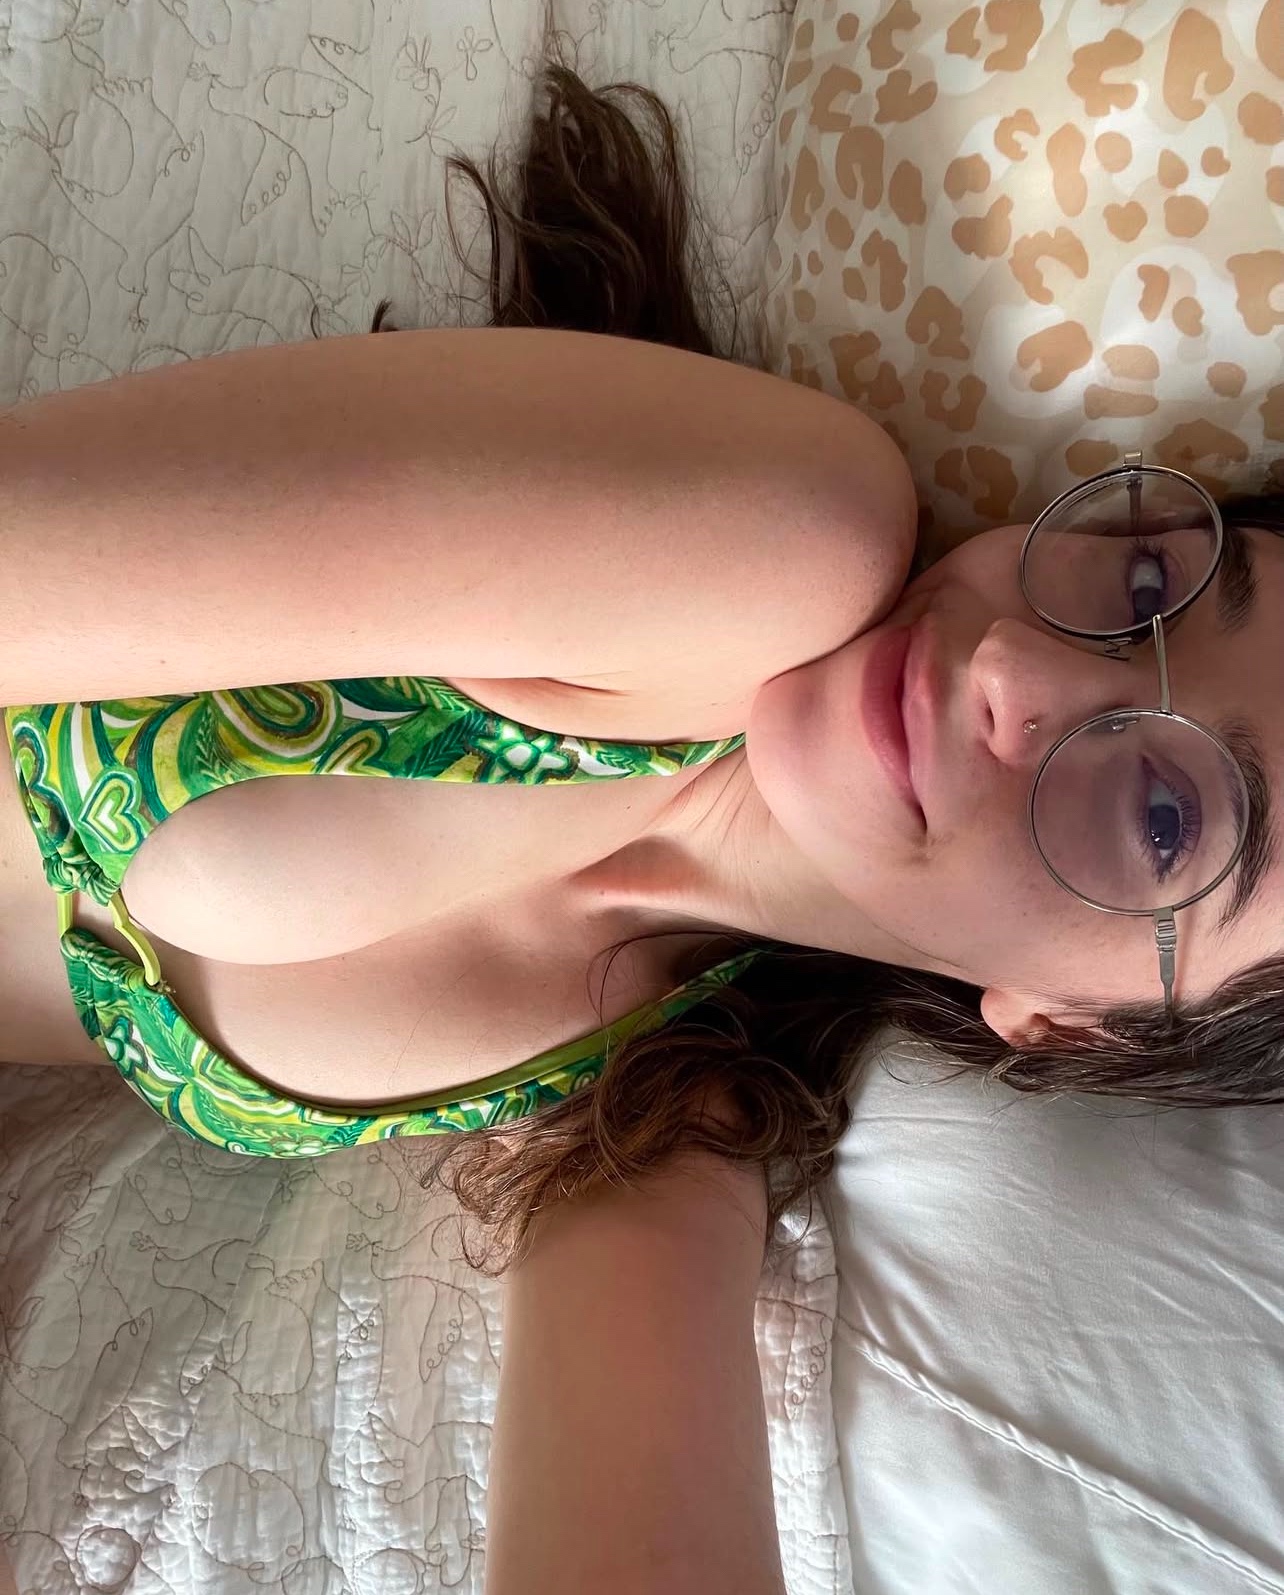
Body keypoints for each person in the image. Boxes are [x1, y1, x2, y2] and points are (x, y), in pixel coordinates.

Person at [0, 57, 1281, 1595]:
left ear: (1069, 1025)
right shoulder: (775, 538)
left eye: (1162, 815)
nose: (1021, 668)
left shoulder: (687, 1085)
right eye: (1147, 590)